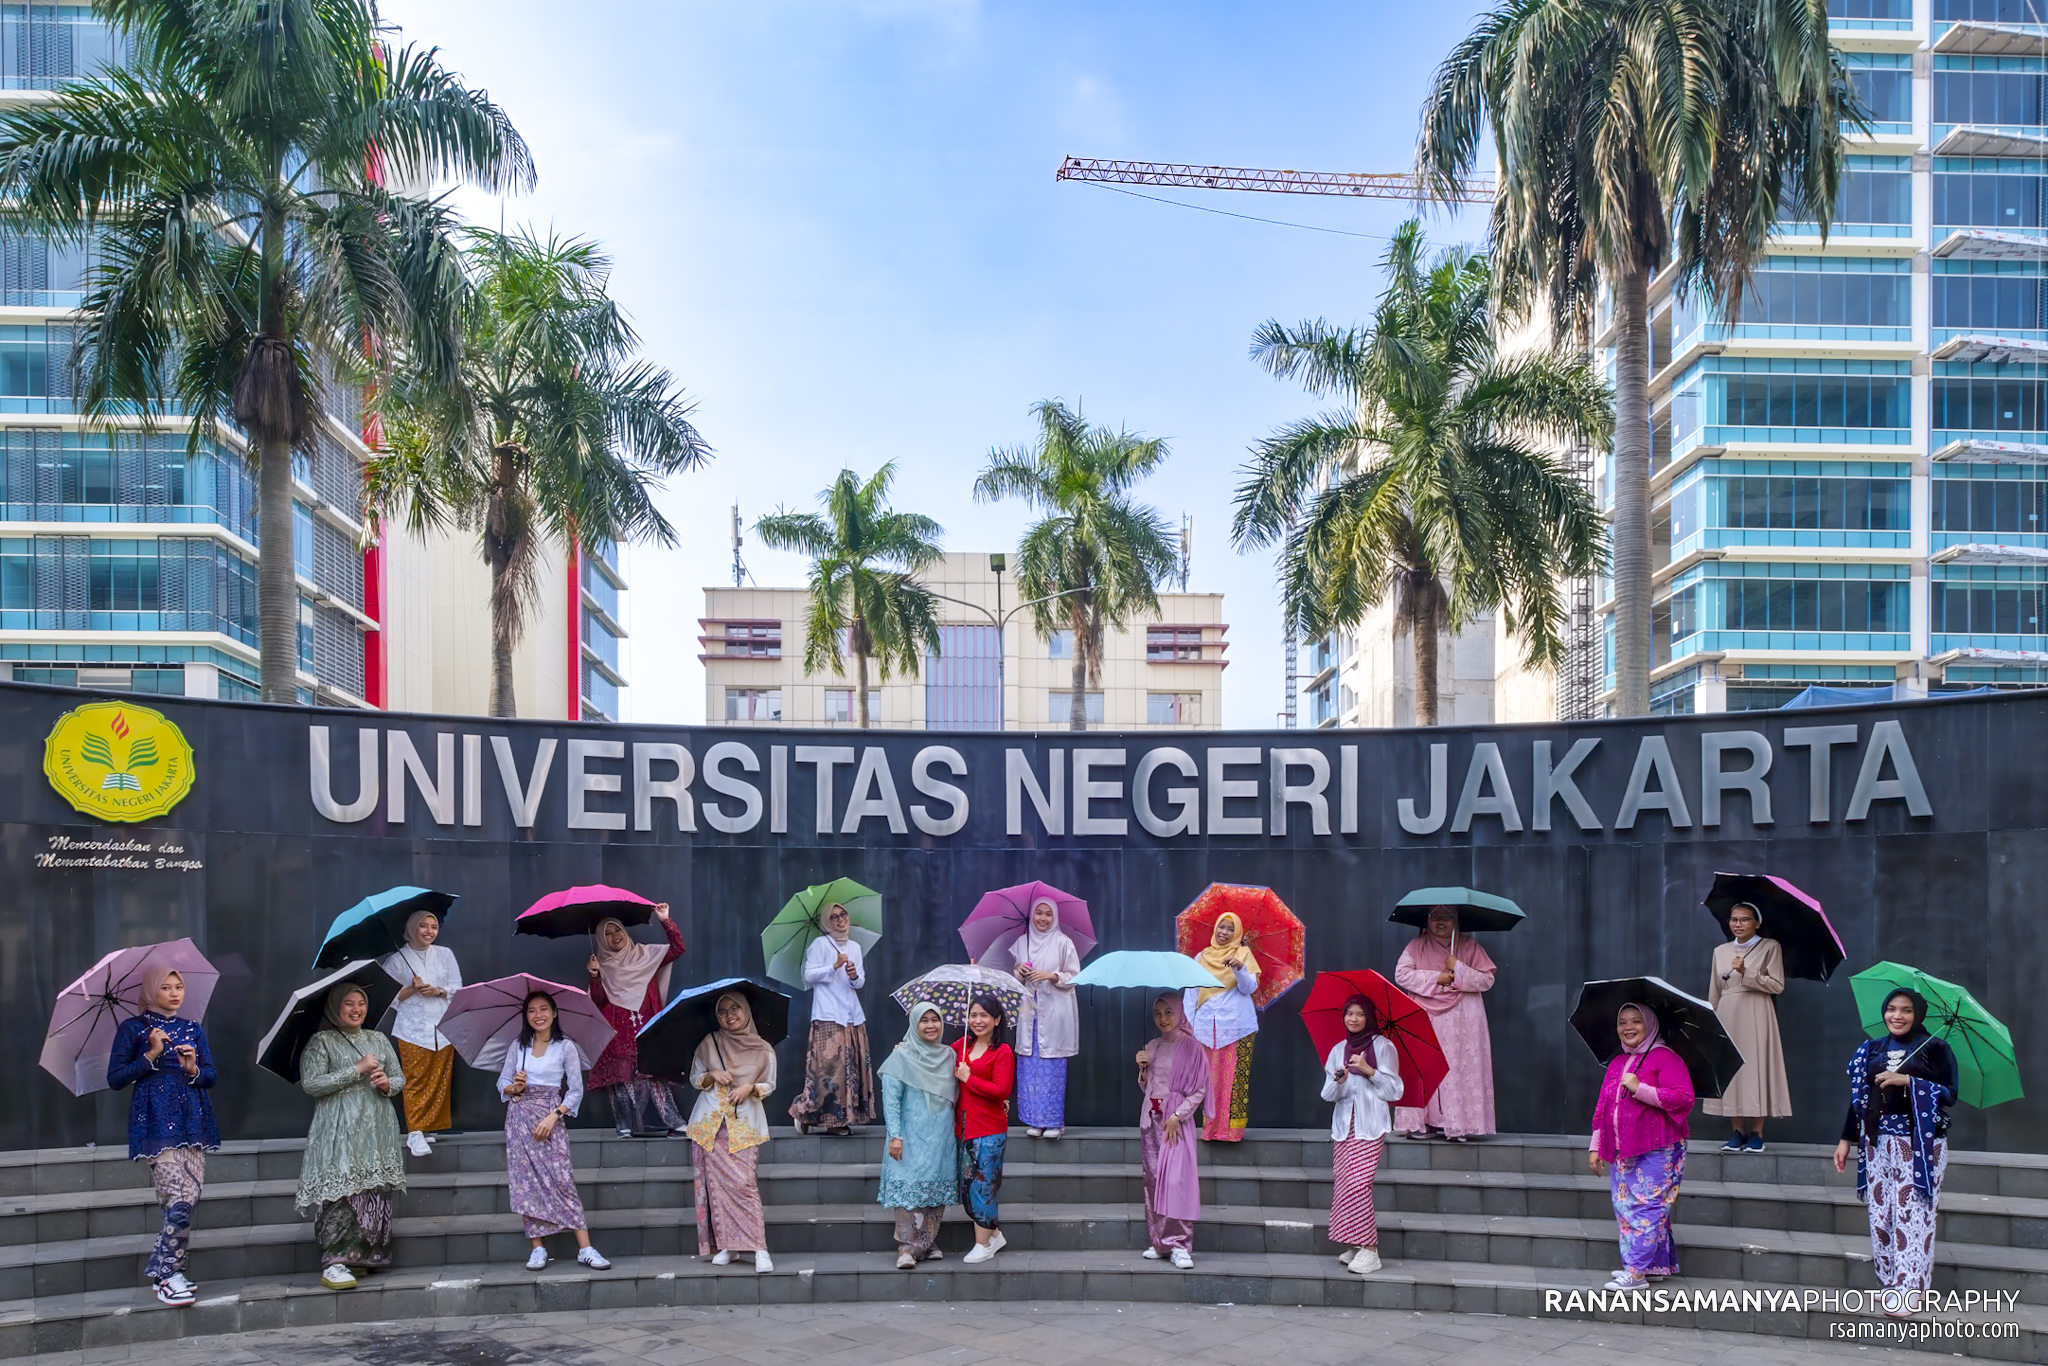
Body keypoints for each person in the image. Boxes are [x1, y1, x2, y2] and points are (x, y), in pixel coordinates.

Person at [1833, 987, 1959, 1310]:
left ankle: (1912, 1288)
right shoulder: (1871, 1048)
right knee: (1882, 1213)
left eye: (1906, 1010)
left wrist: (1909, 1082)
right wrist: (1846, 1140)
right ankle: (1890, 1281)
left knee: (1913, 1214)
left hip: (1920, 1145)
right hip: (1877, 1143)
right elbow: (1859, 1098)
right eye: (1891, 1009)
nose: (1897, 1016)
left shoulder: (1936, 1048)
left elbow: (1950, 1095)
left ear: (1918, 1014)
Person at [106, 966, 220, 1306]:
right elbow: (115, 1078)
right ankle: (169, 1274)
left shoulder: (192, 1028)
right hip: (155, 1122)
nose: (174, 993)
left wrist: (192, 1067)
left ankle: (167, 1270)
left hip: (193, 1120)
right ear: (151, 990)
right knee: (179, 1198)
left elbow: (211, 1076)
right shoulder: (134, 1028)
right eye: (166, 987)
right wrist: (151, 1053)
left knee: (188, 1196)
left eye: (179, 986)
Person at [295, 983, 407, 1289]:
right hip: (339, 1128)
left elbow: (399, 1078)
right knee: (342, 1188)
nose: (357, 1009)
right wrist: (356, 1069)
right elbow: (312, 1084)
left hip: (376, 1126)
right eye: (348, 1003)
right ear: (335, 1007)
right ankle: (334, 1262)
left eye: (361, 1003)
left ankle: (361, 1255)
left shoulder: (377, 1039)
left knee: (372, 1188)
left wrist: (386, 1083)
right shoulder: (322, 1041)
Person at [496, 990, 610, 1271]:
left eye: (544, 1009)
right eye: (532, 1010)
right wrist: (514, 1087)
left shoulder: (565, 1047)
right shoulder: (518, 1047)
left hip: (551, 1115)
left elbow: (575, 1091)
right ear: (526, 1016)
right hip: (519, 1118)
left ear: (554, 1013)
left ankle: (585, 1248)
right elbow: (502, 1082)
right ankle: (538, 1248)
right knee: (527, 1183)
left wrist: (554, 1116)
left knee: (562, 1180)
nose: (538, 1015)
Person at [1588, 1002, 1695, 1292]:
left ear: (1650, 1024)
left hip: (1659, 1147)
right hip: (1622, 1149)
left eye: (1636, 1021)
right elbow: (1603, 1107)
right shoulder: (1617, 1063)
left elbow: (1684, 1098)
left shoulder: (1666, 1058)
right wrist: (1596, 1145)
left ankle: (1635, 1273)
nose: (1628, 1027)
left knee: (1647, 1208)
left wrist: (1640, 1089)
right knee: (1626, 1208)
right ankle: (1651, 1266)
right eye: (1622, 1022)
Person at [686, 991, 778, 1272]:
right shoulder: (709, 1042)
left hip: (744, 1125)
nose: (729, 1016)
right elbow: (695, 1078)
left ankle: (759, 1248)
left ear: (745, 1010)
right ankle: (728, 1246)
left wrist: (750, 1087)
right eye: (722, 1011)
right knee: (717, 1189)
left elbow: (770, 1084)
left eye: (734, 1009)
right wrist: (711, 1075)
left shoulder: (763, 1048)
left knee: (744, 1184)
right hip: (711, 1125)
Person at [1393, 906, 1497, 1141]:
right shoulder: (1416, 946)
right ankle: (1422, 1124)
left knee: (1458, 1068)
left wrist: (1458, 967)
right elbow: (1401, 974)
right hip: (1425, 1016)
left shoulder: (1469, 946)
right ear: (1427, 920)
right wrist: (1437, 977)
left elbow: (1487, 980)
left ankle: (1457, 1125)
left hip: (1462, 1020)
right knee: (1425, 1067)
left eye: (1447, 917)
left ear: (1455, 921)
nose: (1441, 922)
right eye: (1435, 917)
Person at [586, 903, 687, 1137]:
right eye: (607, 934)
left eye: (617, 930)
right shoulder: (601, 964)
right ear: (602, 940)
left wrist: (665, 920)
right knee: (621, 1080)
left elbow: (678, 948)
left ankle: (673, 1122)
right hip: (617, 1029)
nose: (614, 936)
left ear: (625, 931)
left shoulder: (645, 955)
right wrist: (594, 976)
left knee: (655, 1074)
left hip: (646, 1024)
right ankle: (625, 1125)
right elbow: (598, 1001)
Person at [1320, 994, 1403, 1277]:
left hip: (1371, 1125)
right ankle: (1355, 1243)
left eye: (1359, 1014)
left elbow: (1394, 1091)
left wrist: (1369, 1071)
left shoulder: (1384, 1047)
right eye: (1349, 1013)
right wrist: (1339, 1081)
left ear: (1369, 1017)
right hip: (1345, 1126)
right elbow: (1327, 1095)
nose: (1353, 1019)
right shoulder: (1338, 1050)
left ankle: (1371, 1250)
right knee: (1345, 1184)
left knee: (1359, 1183)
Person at [1702, 901, 1790, 1153]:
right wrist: (1711, 1018)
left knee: (1756, 1068)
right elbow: (1715, 989)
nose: (1738, 924)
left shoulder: (1770, 947)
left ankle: (1756, 1133)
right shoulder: (1720, 951)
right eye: (1734, 919)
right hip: (1727, 1012)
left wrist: (1747, 972)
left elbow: (1777, 985)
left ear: (1757, 923)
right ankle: (1737, 1131)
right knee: (1731, 1068)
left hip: (1757, 1011)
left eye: (1744, 919)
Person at [878, 1001, 957, 1268]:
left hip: (941, 1136)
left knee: (934, 1188)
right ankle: (906, 1248)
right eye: (924, 1020)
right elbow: (891, 1100)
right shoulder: (901, 1056)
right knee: (908, 1189)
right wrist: (895, 1135)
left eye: (935, 1020)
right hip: (910, 1135)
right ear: (914, 1024)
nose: (931, 1025)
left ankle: (926, 1242)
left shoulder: (950, 1055)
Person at [1136, 993, 1209, 1270]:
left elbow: (1199, 1090)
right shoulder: (1152, 1046)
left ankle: (1179, 1244)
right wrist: (1143, 1069)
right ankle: (1160, 1242)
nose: (1163, 1019)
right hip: (1151, 1122)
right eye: (1158, 1013)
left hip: (1174, 1125)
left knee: (1176, 1183)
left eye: (1169, 1012)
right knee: (1154, 1181)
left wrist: (1177, 1116)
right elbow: (1148, 1086)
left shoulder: (1192, 1047)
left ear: (1180, 1013)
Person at [789, 902, 875, 1136]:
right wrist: (833, 966)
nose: (840, 919)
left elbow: (860, 982)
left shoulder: (854, 947)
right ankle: (818, 1115)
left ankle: (840, 1118)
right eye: (834, 917)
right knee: (831, 1071)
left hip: (852, 1016)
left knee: (852, 1068)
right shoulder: (819, 944)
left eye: (843, 914)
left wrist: (853, 975)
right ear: (827, 922)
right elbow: (808, 975)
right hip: (828, 1014)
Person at [382, 908, 462, 1157]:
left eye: (434, 926)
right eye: (423, 926)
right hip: (412, 1029)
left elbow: (458, 989)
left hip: (442, 1027)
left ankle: (427, 1126)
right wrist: (412, 988)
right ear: (412, 928)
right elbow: (388, 998)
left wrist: (439, 991)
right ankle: (415, 1132)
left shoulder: (444, 954)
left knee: (439, 1078)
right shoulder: (397, 960)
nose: (429, 931)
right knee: (415, 1078)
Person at [1185, 911, 1259, 1142]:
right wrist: (1192, 1027)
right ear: (1215, 928)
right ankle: (1211, 1130)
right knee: (1209, 1080)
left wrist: (1239, 969)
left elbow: (1249, 988)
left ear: (1237, 933)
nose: (1224, 932)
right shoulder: (1201, 957)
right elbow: (1191, 994)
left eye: (1230, 929)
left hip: (1237, 1028)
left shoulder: (1243, 954)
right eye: (1221, 927)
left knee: (1235, 1081)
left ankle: (1232, 1132)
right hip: (1206, 1029)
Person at [1010, 897, 1081, 1139]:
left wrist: (1051, 976)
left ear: (1055, 917)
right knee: (1030, 1066)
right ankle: (1034, 1120)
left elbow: (1074, 977)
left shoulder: (1063, 942)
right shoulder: (1022, 942)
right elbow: (1015, 977)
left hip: (1054, 1011)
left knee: (1051, 1067)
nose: (1043, 918)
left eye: (1048, 914)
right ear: (1031, 915)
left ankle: (1054, 1123)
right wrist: (1019, 971)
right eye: (1038, 913)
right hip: (1030, 1012)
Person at [953, 993, 1015, 1263]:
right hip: (964, 1128)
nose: (977, 1020)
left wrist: (969, 1079)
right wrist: (906, 1047)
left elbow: (1002, 1090)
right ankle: (995, 1234)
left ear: (997, 1020)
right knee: (968, 1187)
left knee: (983, 1186)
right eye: (973, 1015)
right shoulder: (962, 1045)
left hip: (989, 1130)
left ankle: (983, 1244)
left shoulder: (1002, 1052)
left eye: (984, 1015)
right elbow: (936, 1055)